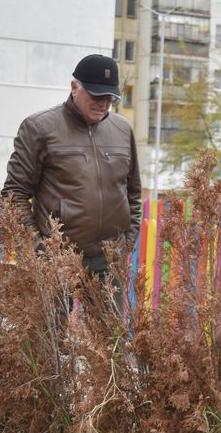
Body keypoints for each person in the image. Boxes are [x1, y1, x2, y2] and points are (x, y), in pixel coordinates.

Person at [2, 54, 141, 278]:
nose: (104, 103)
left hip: (110, 260)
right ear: (75, 87)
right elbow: (13, 195)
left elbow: (133, 192)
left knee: (109, 316)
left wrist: (127, 242)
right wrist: (39, 250)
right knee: (55, 316)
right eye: (96, 94)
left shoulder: (123, 130)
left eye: (110, 97)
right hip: (57, 260)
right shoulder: (39, 128)